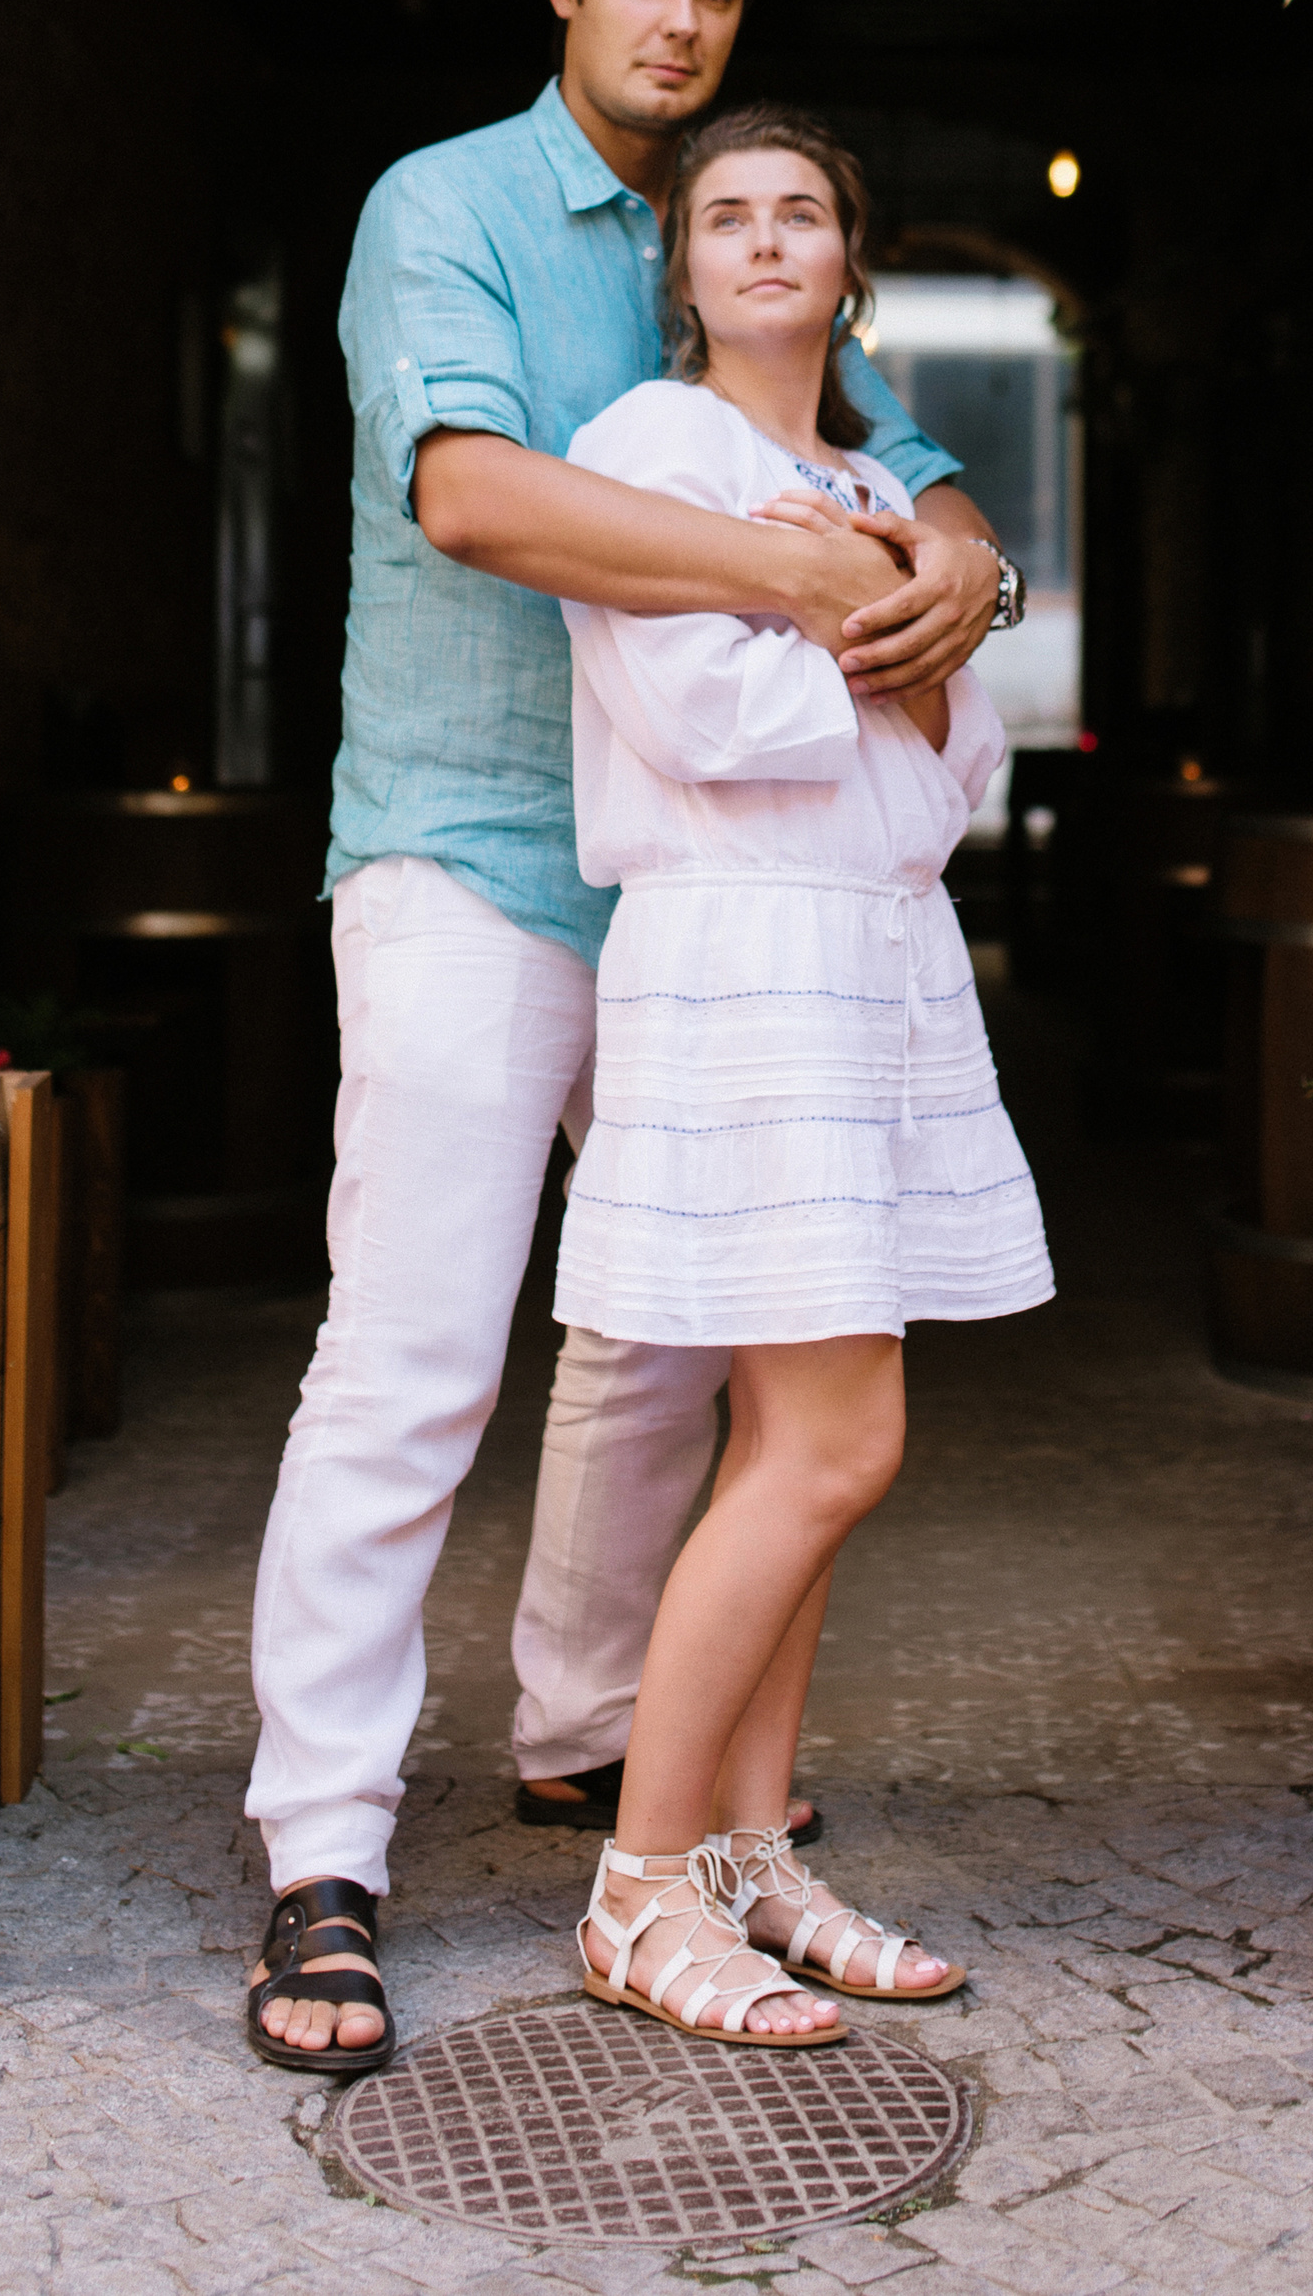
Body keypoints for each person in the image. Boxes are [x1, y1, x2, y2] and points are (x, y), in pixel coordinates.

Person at [242, 0, 1021, 2076]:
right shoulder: (451, 206)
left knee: (672, 1367)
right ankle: (323, 1845)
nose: (676, 25)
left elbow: (918, 485)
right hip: (478, 853)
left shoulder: (738, 231)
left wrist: (959, 563)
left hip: (721, 911)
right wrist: (802, 587)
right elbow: (474, 496)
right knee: (411, 1358)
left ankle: (614, 1760)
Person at [559, 107, 1053, 2047]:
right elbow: (707, 714)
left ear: (848, 260)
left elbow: (959, 769)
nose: (764, 242)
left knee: (798, 1453)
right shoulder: (647, 450)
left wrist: (850, 589)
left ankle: (752, 1851)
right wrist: (878, 620)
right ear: (680, 265)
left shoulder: (873, 480)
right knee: (840, 1443)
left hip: (872, 955)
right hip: (740, 956)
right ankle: (631, 1880)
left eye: (802, 214)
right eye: (726, 217)